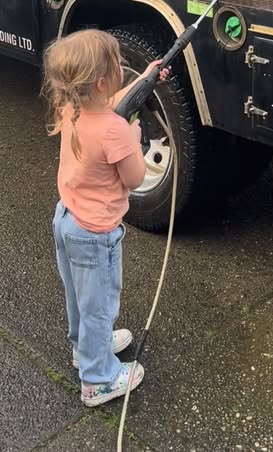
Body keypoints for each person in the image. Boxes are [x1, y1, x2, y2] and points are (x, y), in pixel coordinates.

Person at [43, 29, 168, 407]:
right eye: (118, 64)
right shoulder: (115, 129)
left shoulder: (72, 107)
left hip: (67, 219)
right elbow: (133, 179)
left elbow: (111, 104)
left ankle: (86, 349)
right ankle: (98, 379)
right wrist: (132, 136)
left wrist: (145, 78)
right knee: (100, 306)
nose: (122, 67)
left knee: (81, 298)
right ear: (101, 81)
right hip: (95, 234)